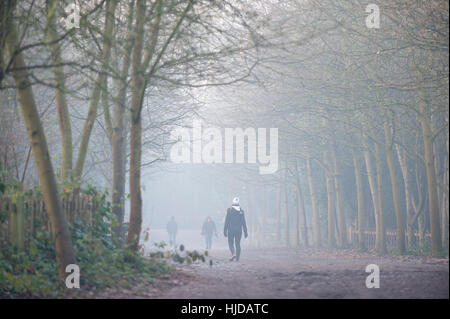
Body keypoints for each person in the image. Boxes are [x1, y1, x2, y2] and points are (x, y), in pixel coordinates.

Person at [224, 197, 248, 261]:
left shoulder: (229, 210)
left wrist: (225, 230)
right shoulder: (241, 211)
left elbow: (227, 220)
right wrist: (245, 232)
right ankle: (237, 258)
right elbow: (243, 222)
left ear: (232, 202)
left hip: (231, 230)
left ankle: (233, 253)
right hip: (238, 230)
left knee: (230, 242)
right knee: (237, 243)